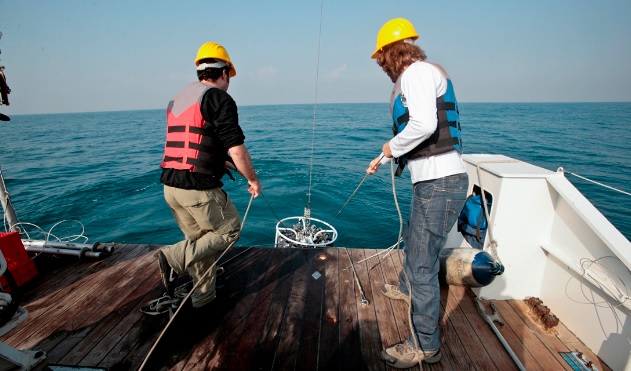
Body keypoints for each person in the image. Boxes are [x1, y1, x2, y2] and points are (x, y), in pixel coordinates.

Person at [366, 18, 469, 368]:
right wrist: (383, 156)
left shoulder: (415, 73)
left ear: (391, 54)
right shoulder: (425, 73)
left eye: (381, 60)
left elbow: (423, 125)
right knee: (415, 240)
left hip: (439, 183)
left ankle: (425, 345)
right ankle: (406, 287)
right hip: (435, 181)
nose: (382, 67)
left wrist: (391, 147)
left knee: (422, 264)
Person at [158, 41, 261, 309]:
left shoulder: (177, 98)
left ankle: (204, 297)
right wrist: (253, 179)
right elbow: (236, 148)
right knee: (229, 232)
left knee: (201, 241)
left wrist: (219, 162)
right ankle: (172, 258)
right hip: (197, 189)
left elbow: (194, 142)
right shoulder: (219, 98)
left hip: (171, 187)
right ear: (224, 72)